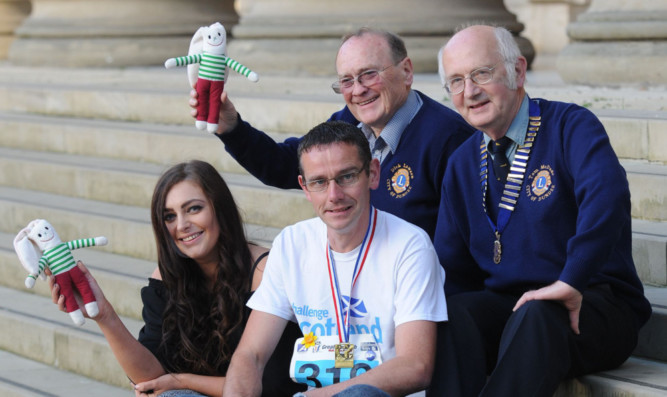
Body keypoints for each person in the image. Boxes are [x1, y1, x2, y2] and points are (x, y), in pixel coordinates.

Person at [429, 25, 652, 396]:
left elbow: (608, 195)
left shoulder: (571, 126)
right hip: (512, 310)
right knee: (452, 316)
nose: (469, 92)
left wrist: (571, 280)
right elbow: (452, 268)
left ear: (518, 70)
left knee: (537, 314)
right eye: (456, 81)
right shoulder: (463, 162)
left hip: (592, 303)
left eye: (482, 73)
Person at [222, 121, 448, 397]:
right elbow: (251, 355)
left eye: (347, 177)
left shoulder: (410, 246)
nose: (334, 195)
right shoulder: (292, 243)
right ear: (305, 188)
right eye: (319, 182)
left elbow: (415, 366)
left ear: (373, 174)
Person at [49, 160, 304, 397]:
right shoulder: (167, 278)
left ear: (219, 208)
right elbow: (150, 381)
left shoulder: (266, 271)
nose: (181, 225)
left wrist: (182, 380)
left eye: (193, 209)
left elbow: (269, 383)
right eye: (169, 216)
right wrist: (104, 316)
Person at [190, 27, 474, 240]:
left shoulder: (451, 139)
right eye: (346, 81)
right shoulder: (349, 121)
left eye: (369, 74)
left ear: (407, 71)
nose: (358, 90)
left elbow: (458, 244)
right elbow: (288, 165)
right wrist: (231, 127)